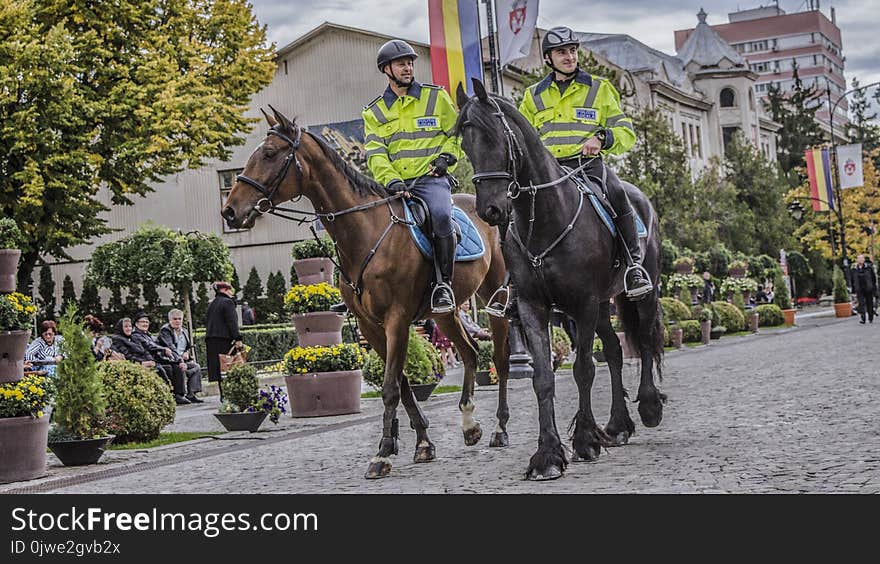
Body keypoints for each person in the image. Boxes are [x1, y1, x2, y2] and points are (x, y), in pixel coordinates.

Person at [518, 26, 650, 300]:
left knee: (617, 194)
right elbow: (523, 139)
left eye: (573, 51)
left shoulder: (600, 88)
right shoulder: (533, 96)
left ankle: (634, 267)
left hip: (587, 166)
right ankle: (512, 281)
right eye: (561, 52)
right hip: (549, 173)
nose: (569, 57)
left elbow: (626, 131)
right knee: (515, 211)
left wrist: (603, 138)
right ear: (548, 58)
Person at [358, 39, 461, 314]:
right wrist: (391, 180)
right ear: (386, 69)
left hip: (431, 180)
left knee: (440, 215)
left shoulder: (436, 97)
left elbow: (455, 135)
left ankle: (444, 285)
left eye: (410, 63)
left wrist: (446, 159)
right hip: (396, 186)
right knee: (364, 225)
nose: (408, 68)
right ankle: (358, 288)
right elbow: (376, 153)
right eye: (402, 63)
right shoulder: (374, 111)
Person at [132, 311, 190, 405]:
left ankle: (179, 395)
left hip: (156, 359)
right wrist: (164, 349)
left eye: (147, 322)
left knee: (176, 366)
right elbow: (150, 346)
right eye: (142, 322)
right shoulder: (136, 335)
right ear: (136, 323)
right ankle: (171, 394)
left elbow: (155, 344)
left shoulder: (148, 335)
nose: (145, 324)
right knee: (168, 368)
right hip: (146, 361)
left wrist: (178, 359)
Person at [205, 281, 242, 401]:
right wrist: (237, 338)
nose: (232, 293)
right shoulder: (228, 303)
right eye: (230, 290)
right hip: (224, 340)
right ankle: (231, 395)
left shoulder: (212, 304)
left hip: (212, 341)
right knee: (230, 367)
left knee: (221, 371)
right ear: (225, 290)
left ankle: (223, 395)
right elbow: (232, 322)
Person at [159, 308, 204, 403]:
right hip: (171, 360)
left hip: (182, 359)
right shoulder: (165, 331)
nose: (177, 321)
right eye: (175, 319)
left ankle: (191, 394)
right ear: (170, 320)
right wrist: (180, 360)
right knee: (179, 368)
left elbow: (187, 346)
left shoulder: (184, 331)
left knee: (196, 367)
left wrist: (187, 352)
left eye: (179, 319)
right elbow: (170, 347)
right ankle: (179, 395)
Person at [851, 254, 876, 324]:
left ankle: (870, 317)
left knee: (869, 303)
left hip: (868, 288)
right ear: (857, 260)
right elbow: (852, 280)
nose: (860, 260)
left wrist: (873, 287)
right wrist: (853, 289)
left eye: (861, 259)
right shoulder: (854, 269)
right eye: (859, 259)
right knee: (861, 304)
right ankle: (863, 318)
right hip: (859, 289)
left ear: (864, 260)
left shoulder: (869, 268)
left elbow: (873, 278)